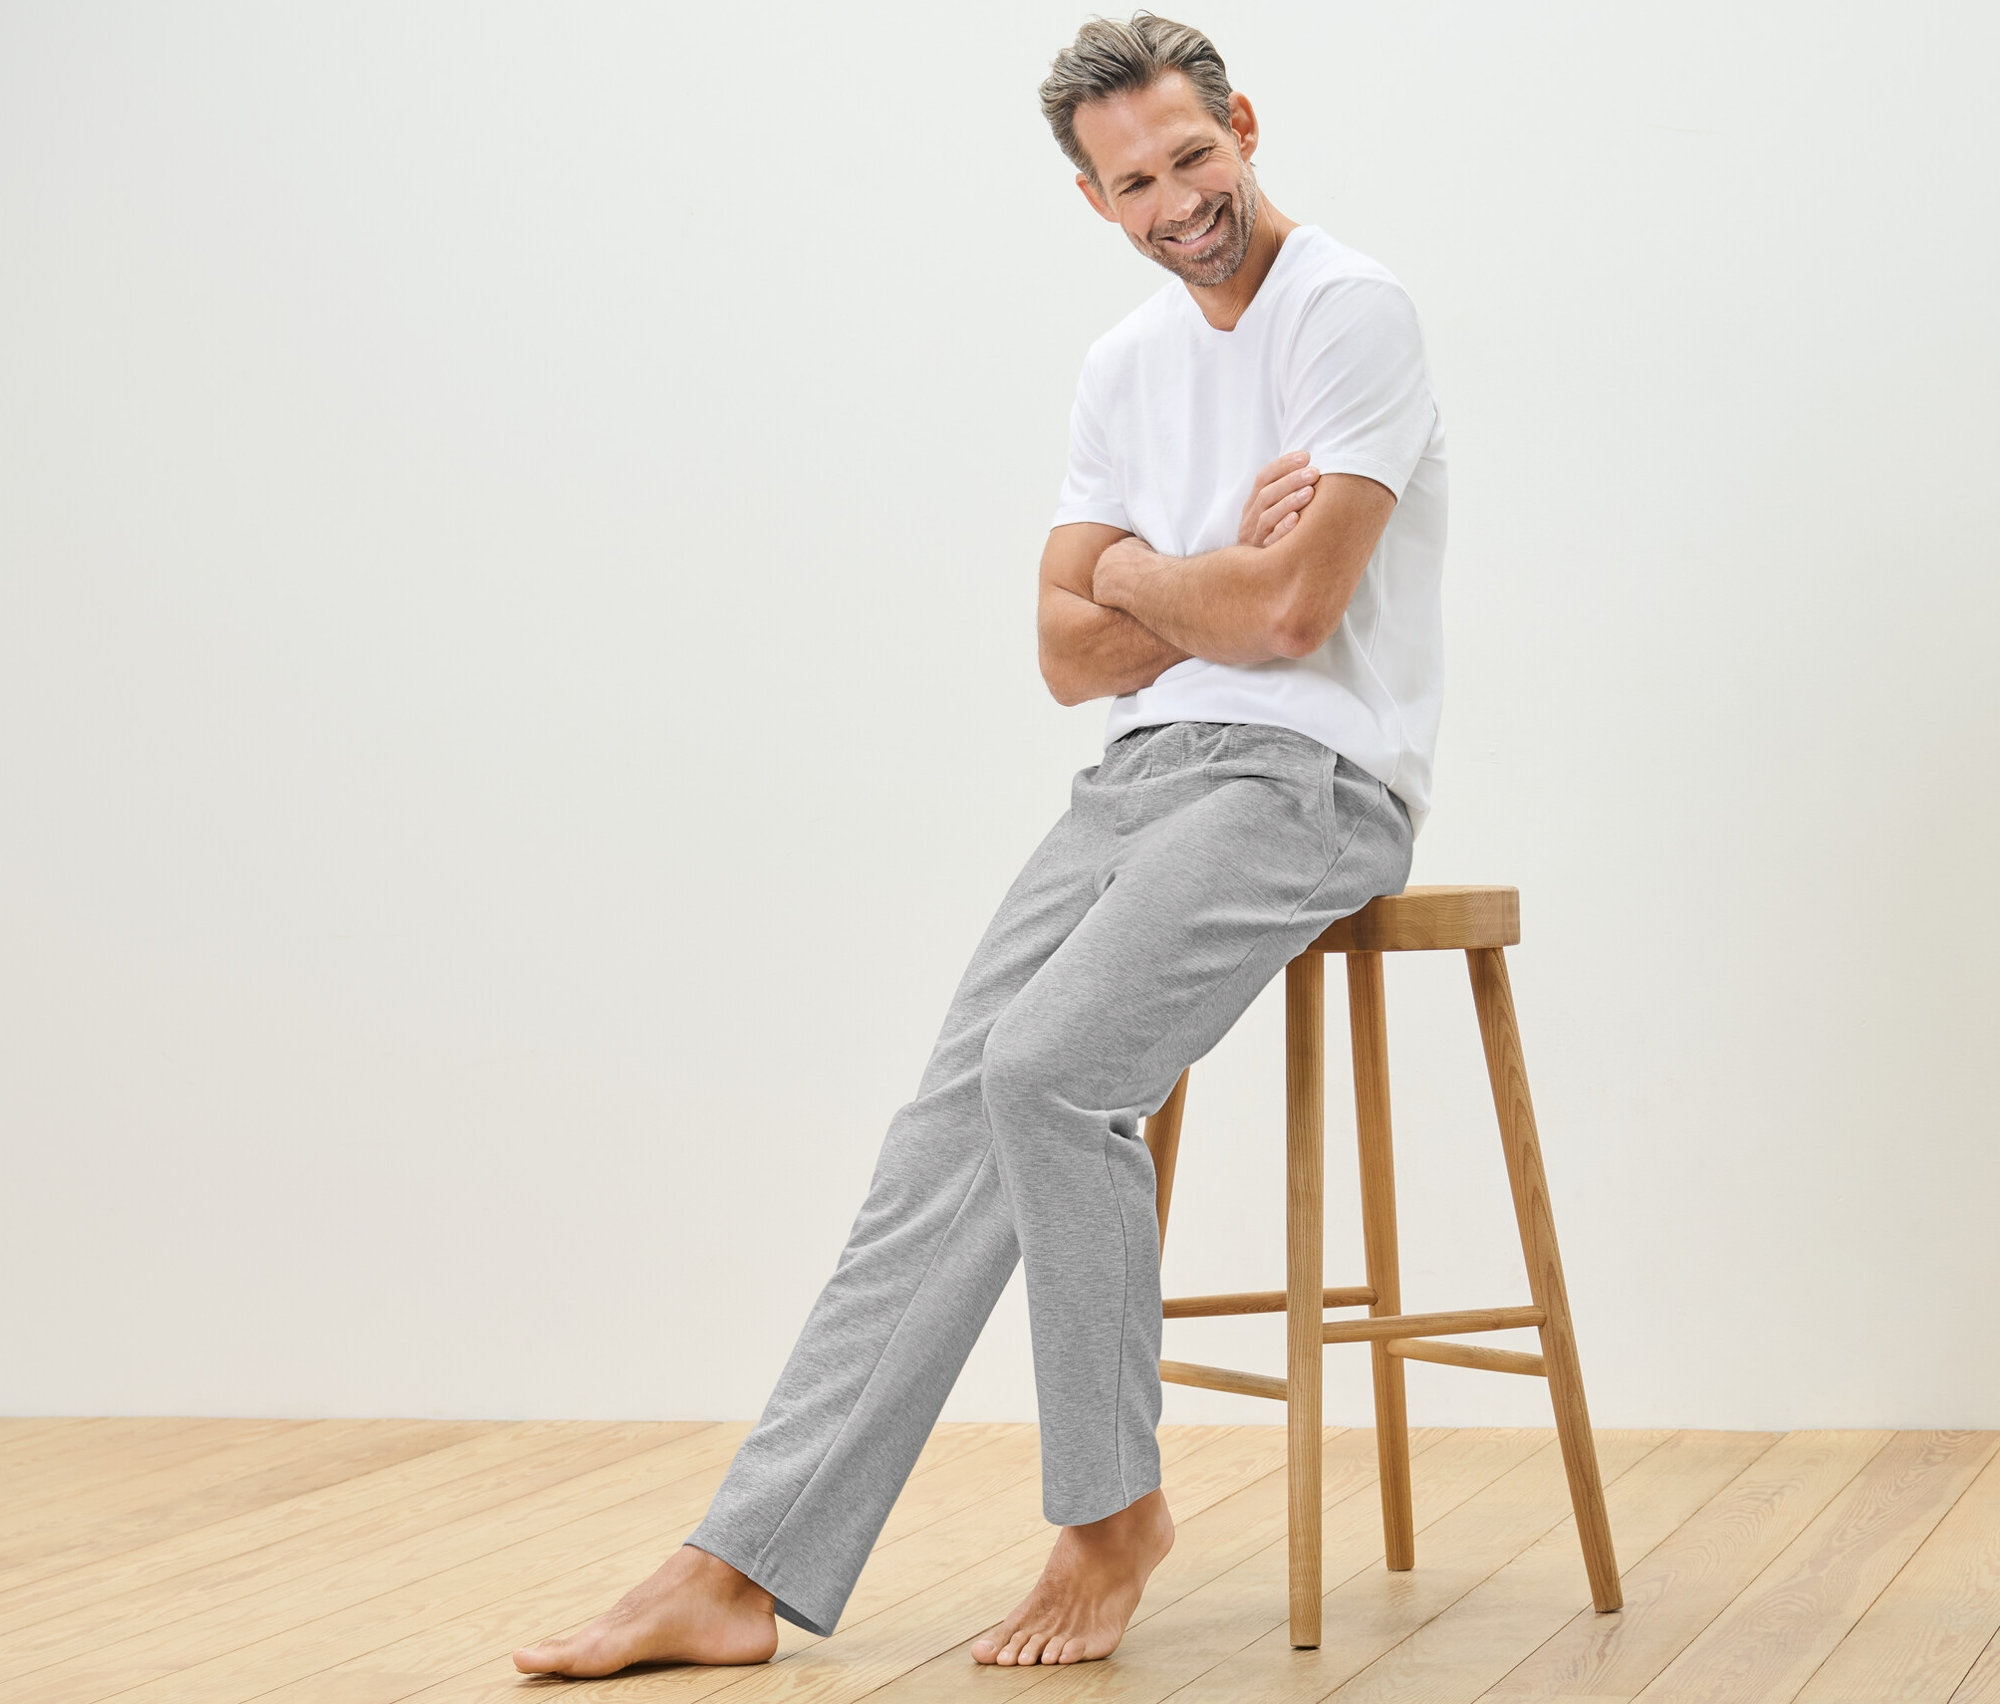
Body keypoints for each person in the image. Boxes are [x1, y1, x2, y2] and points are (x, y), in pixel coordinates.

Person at [513, 10, 1446, 1676]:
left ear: (1245, 123)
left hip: (1307, 786)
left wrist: (1143, 578)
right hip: (1136, 779)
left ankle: (1109, 1514)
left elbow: (1295, 614)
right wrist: (1194, 572)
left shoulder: (1348, 311)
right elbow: (1058, 657)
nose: (1178, 203)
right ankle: (737, 1565)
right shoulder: (1123, 367)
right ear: (1093, 201)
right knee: (941, 1134)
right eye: (1135, 182)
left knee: (1047, 1076)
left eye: (1194, 158)